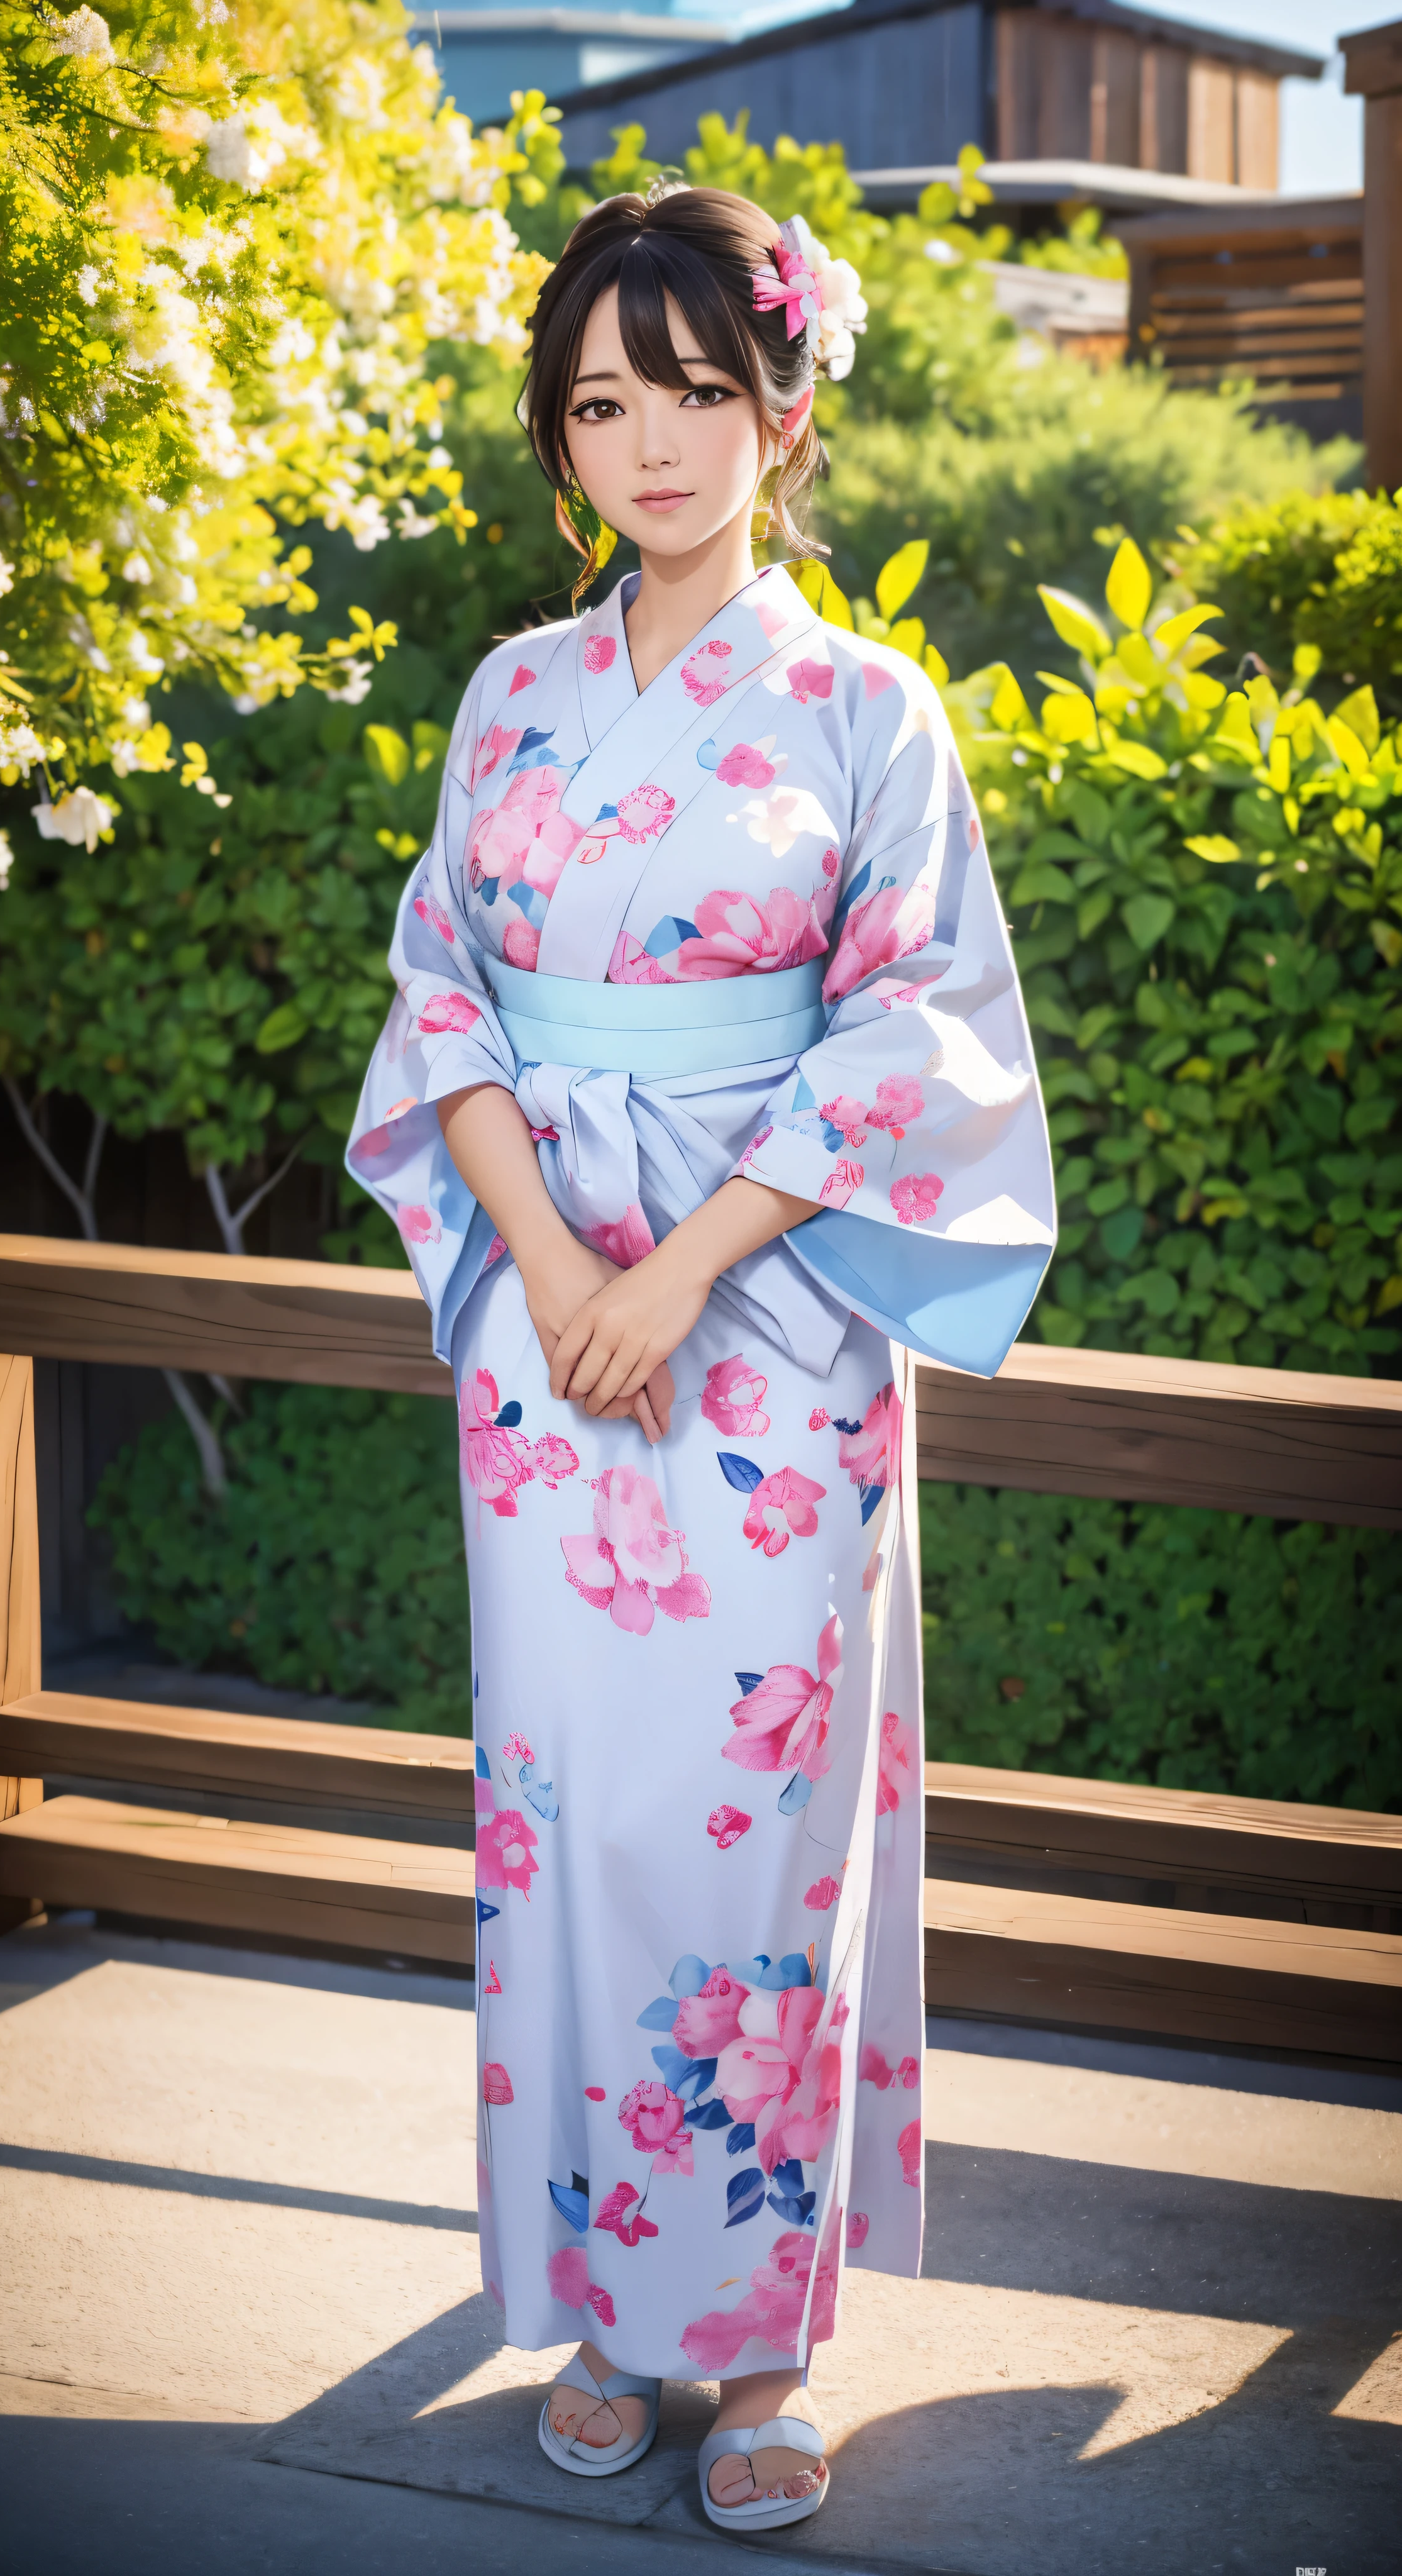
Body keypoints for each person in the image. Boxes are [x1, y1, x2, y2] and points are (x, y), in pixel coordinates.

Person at [348, 180, 1054, 2533]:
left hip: (769, 1345)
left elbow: (908, 1039)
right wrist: (554, 1263)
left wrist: (679, 1275)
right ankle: (599, 2304)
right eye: (601, 400)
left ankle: (751, 2350)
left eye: (694, 390)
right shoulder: (513, 691)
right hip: (545, 1338)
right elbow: (444, 990)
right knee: (558, 1820)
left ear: (785, 400)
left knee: (761, 1835)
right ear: (566, 438)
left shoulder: (865, 710)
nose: (649, 443)